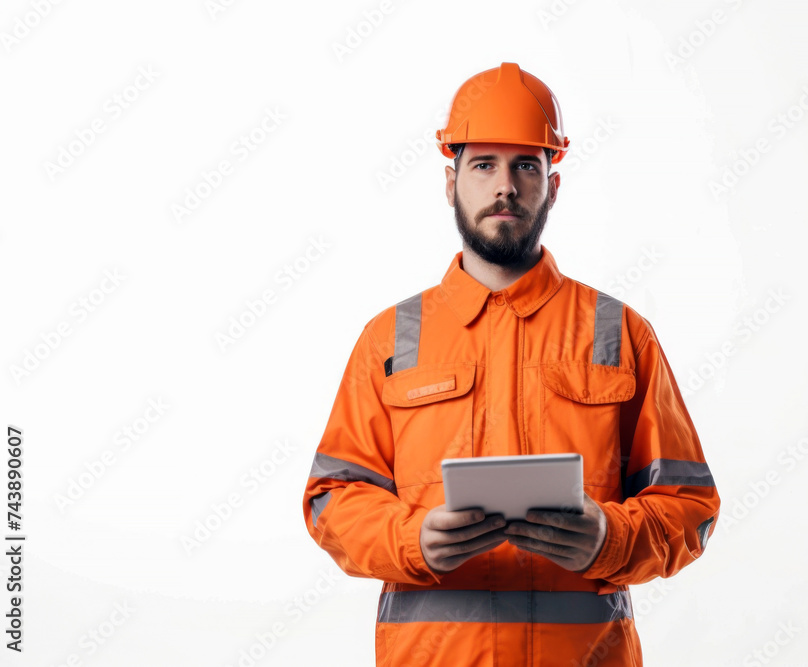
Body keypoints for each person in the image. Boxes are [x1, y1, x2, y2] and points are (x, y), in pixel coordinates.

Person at [302, 61, 720, 667]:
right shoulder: (390, 339)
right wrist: (410, 538)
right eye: (483, 165)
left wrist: (611, 537)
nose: (506, 186)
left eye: (527, 165)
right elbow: (331, 500)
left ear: (554, 184)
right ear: (451, 183)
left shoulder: (620, 332)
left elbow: (690, 507)